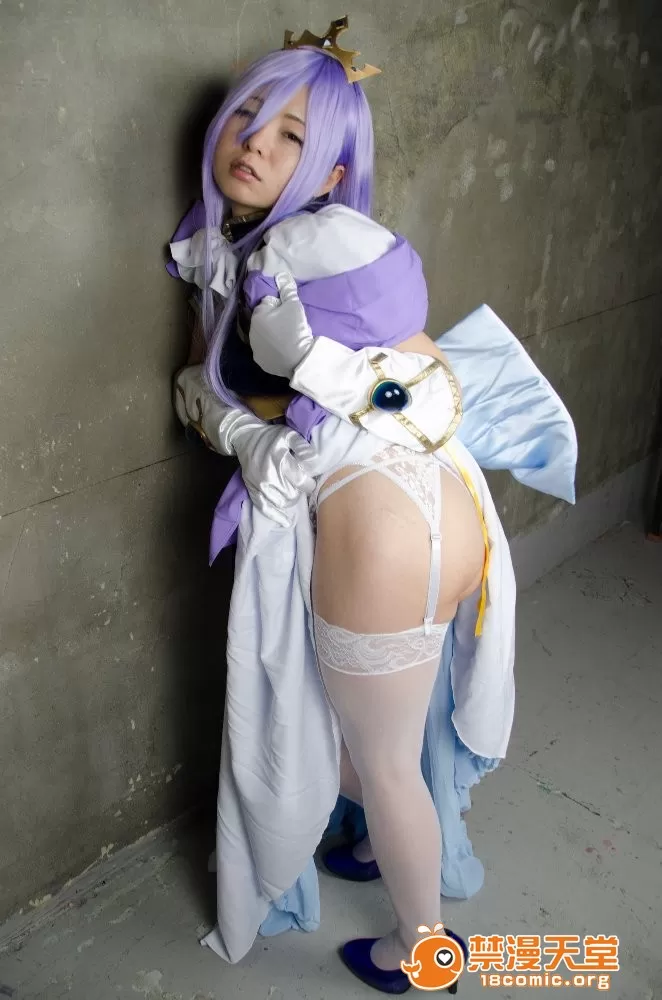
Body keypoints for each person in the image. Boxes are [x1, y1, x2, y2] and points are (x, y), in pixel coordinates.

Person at [168, 18, 577, 994]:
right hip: (414, 515)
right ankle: (370, 846)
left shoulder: (335, 241)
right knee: (379, 738)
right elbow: (206, 391)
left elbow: (430, 396)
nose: (256, 145)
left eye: (292, 136)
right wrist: (241, 428)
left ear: (334, 166)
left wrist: (313, 364)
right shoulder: (233, 252)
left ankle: (421, 949)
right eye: (249, 118)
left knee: (382, 758)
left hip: (387, 515)